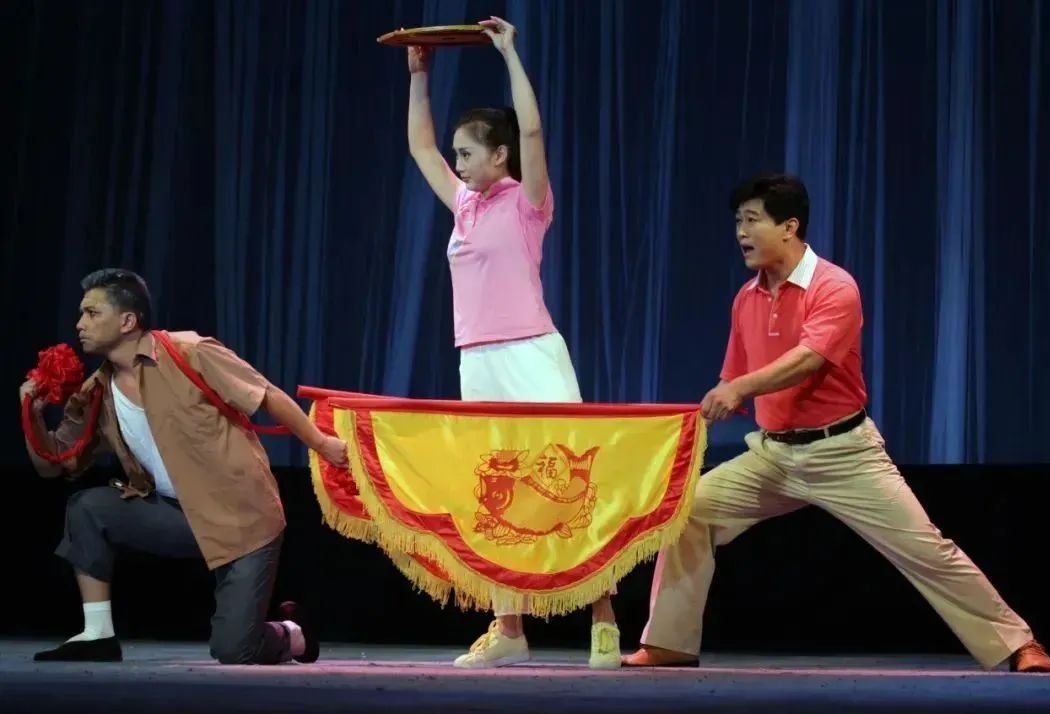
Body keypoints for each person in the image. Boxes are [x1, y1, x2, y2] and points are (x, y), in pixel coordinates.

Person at [621, 174, 1050, 673]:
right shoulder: (746, 298)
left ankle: (1018, 642)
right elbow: (733, 377)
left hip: (843, 453)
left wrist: (739, 389)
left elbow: (808, 359)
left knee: (925, 548)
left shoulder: (833, 286)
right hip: (772, 456)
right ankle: (670, 642)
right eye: (737, 221)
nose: (741, 232)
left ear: (789, 227)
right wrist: (702, 412)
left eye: (752, 220)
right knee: (689, 512)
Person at [405, 16, 619, 669]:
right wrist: (419, 74)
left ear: (499, 156)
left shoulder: (529, 203)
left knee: (569, 484)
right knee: (495, 492)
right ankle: (509, 629)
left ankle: (604, 621)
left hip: (532, 354)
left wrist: (509, 53)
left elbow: (531, 131)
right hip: (478, 360)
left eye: (467, 153)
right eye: (458, 155)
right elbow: (420, 148)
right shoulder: (465, 206)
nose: (458, 163)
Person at [20, 268, 348, 664]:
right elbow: (53, 466)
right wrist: (32, 415)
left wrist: (323, 444)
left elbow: (267, 396)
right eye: (81, 314)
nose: (79, 324)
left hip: (242, 517)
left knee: (234, 649)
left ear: (128, 321)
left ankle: (291, 633)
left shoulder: (188, 351)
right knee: (86, 508)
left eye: (92, 313)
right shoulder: (97, 393)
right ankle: (97, 634)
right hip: (178, 515)